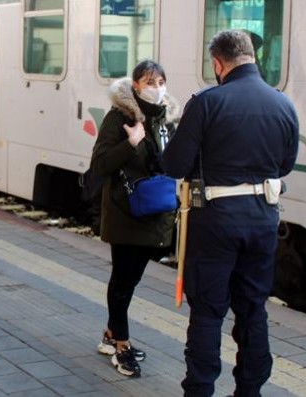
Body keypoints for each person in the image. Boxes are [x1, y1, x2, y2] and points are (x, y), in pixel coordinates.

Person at [162, 30, 299, 396]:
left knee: (208, 311)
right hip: (263, 219)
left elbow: (175, 164)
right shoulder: (283, 104)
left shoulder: (207, 102)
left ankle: (200, 388)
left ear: (218, 64)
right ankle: (250, 390)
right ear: (252, 57)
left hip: (215, 221)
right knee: (253, 308)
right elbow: (285, 165)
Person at [90, 60, 180, 377]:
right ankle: (122, 346)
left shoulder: (167, 120)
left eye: (161, 81)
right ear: (136, 86)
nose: (156, 87)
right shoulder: (120, 118)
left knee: (131, 280)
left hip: (156, 213)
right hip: (126, 212)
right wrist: (130, 143)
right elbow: (100, 164)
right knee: (123, 282)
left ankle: (110, 334)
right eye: (149, 81)